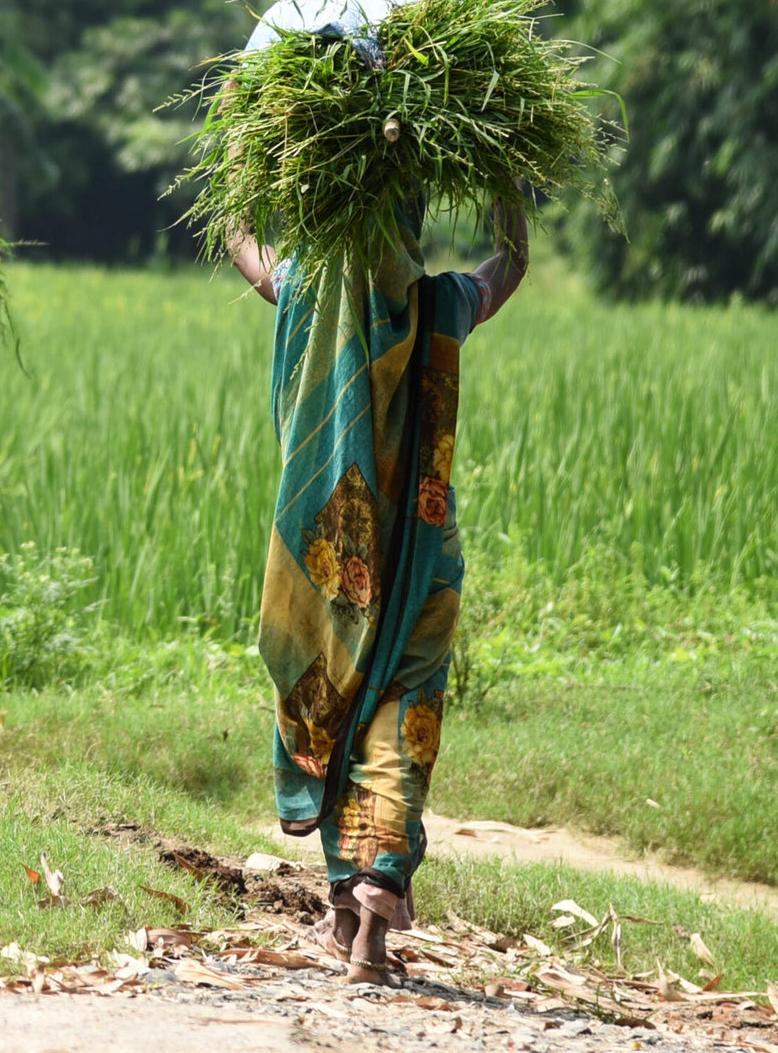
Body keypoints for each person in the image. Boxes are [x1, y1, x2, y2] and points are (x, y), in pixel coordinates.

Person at [231, 191, 528, 984]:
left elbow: (243, 246)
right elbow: (515, 265)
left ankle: (342, 911)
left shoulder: (303, 292)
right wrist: (507, 194)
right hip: (421, 560)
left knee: (337, 707)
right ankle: (369, 928)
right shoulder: (442, 303)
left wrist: (241, 175)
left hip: (329, 553)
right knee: (401, 720)